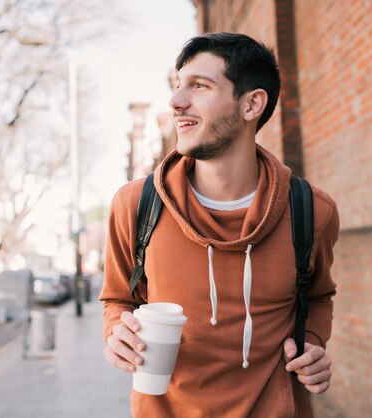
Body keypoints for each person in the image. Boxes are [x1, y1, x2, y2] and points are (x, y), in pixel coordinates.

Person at [100, 32, 339, 417]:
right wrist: (116, 333)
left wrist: (311, 343)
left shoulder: (311, 210)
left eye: (200, 86)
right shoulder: (135, 205)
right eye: (179, 85)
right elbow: (118, 298)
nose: (176, 101)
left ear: (251, 105)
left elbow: (317, 296)